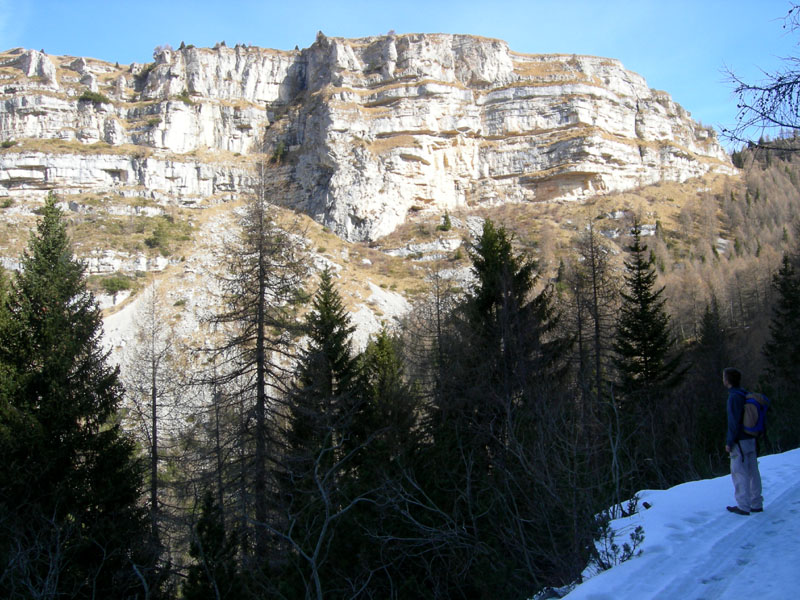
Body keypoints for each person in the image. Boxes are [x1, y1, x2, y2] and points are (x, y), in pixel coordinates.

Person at [723, 367, 763, 515]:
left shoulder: (733, 397)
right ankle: (756, 503)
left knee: (739, 473)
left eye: (724, 377)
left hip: (740, 441)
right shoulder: (745, 393)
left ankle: (743, 506)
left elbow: (733, 423)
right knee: (753, 472)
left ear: (728, 380)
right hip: (751, 438)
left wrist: (729, 442)